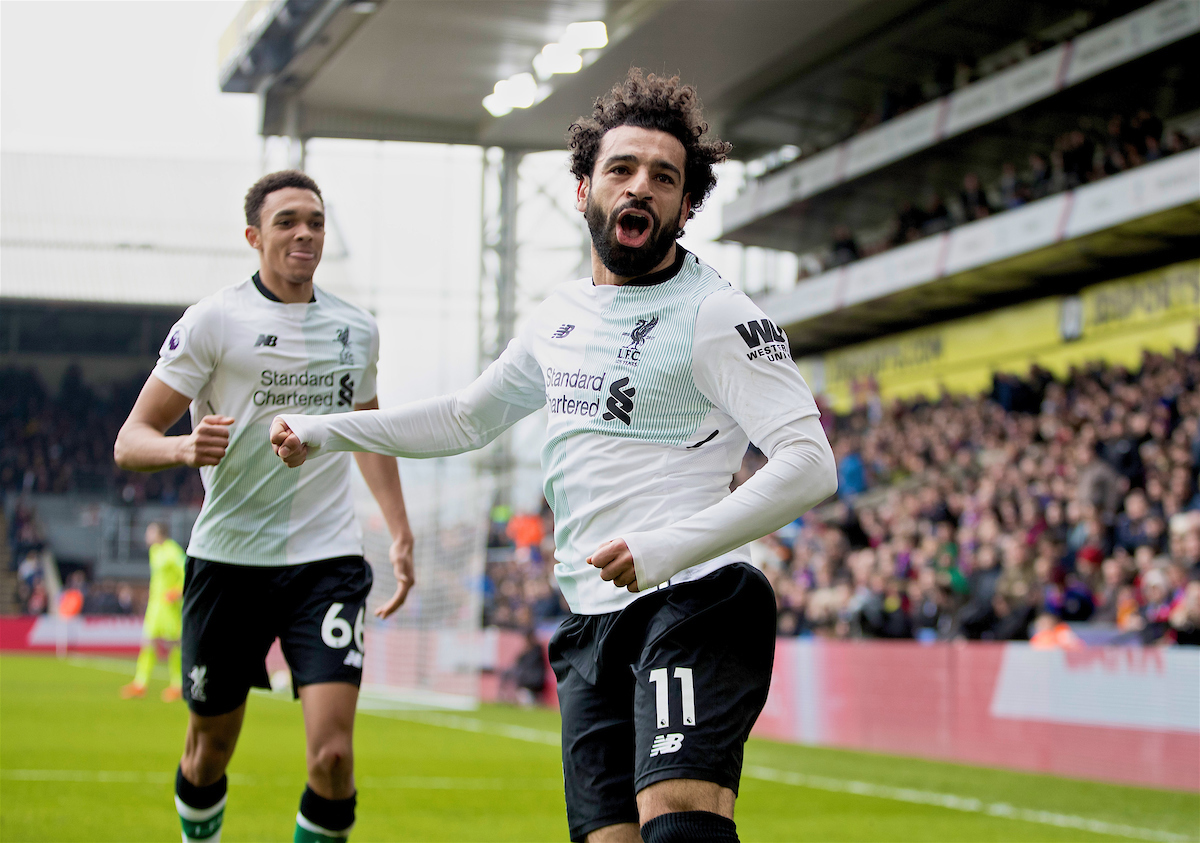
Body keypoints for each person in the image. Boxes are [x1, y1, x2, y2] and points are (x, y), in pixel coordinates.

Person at [270, 70, 837, 843]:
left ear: (688, 204)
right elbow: (467, 418)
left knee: (679, 820)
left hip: (698, 598)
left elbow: (809, 461)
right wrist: (331, 427)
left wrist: (667, 545)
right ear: (584, 189)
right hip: (589, 621)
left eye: (663, 178)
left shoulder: (716, 312)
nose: (640, 188)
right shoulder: (559, 315)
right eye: (621, 170)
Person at [113, 170, 415, 843]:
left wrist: (398, 528)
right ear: (254, 236)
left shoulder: (356, 331)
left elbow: (366, 431)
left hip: (327, 559)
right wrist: (185, 448)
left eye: (314, 220)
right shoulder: (213, 320)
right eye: (286, 221)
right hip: (228, 560)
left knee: (333, 756)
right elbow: (129, 442)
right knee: (209, 749)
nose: (304, 232)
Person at [121, 522, 186, 701]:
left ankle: (177, 685)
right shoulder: (154, 552)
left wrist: (177, 591)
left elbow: (187, 573)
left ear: (159, 533)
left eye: (150, 532)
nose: (146, 536)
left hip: (170, 607)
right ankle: (140, 683)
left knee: (174, 645)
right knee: (148, 642)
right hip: (155, 606)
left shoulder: (173, 551)